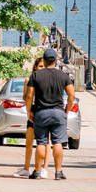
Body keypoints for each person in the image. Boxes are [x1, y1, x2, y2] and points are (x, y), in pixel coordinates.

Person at [25, 48, 75, 180]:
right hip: (58, 112)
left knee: (41, 142)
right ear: (56, 60)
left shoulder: (36, 75)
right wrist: (66, 110)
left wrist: (29, 110)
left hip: (41, 112)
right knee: (58, 142)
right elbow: (71, 95)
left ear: (44, 60)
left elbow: (29, 95)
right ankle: (58, 172)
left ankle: (37, 171)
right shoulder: (63, 76)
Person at [13, 57, 52, 178]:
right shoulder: (29, 79)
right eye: (40, 66)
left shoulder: (48, 79)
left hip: (44, 109)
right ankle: (26, 168)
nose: (42, 68)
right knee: (29, 140)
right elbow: (25, 96)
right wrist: (29, 108)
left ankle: (45, 168)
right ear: (35, 67)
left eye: (44, 66)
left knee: (46, 141)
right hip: (33, 109)